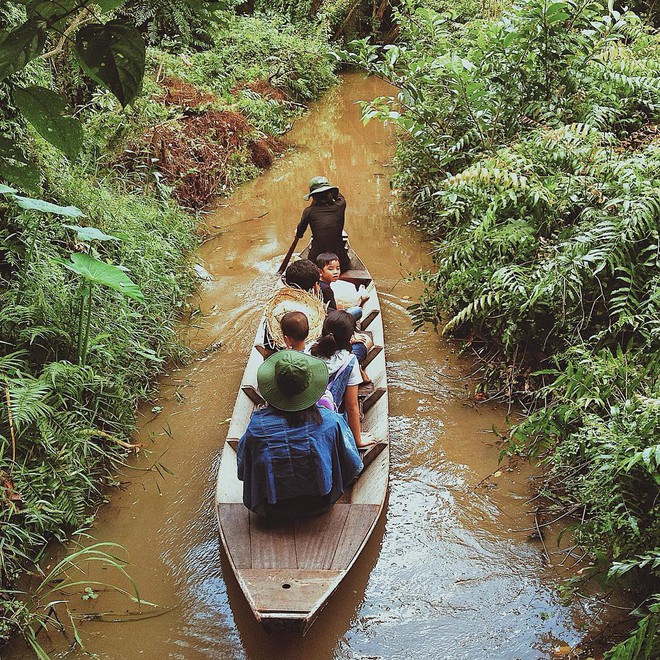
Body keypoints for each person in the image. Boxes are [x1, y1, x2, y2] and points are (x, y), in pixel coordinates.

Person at [237, 350, 362, 518]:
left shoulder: (257, 427)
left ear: (274, 387)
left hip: (272, 509)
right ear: (310, 386)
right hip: (320, 504)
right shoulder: (331, 421)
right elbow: (352, 466)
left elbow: (243, 470)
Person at [310, 311, 375, 448]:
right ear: (350, 337)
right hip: (330, 414)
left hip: (306, 406)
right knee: (365, 344)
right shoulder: (350, 361)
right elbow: (352, 406)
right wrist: (358, 440)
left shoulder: (310, 349)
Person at [296, 176, 351, 273]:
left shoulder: (309, 211)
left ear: (313, 196)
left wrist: (297, 232)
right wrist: (331, 192)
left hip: (316, 263)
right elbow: (338, 195)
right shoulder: (340, 205)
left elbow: (300, 233)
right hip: (340, 262)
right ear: (330, 192)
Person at [316, 252, 366, 321]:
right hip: (330, 320)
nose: (336, 272)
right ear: (320, 272)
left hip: (324, 313)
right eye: (330, 269)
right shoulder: (326, 289)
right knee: (358, 311)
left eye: (338, 268)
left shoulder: (318, 283)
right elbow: (333, 313)